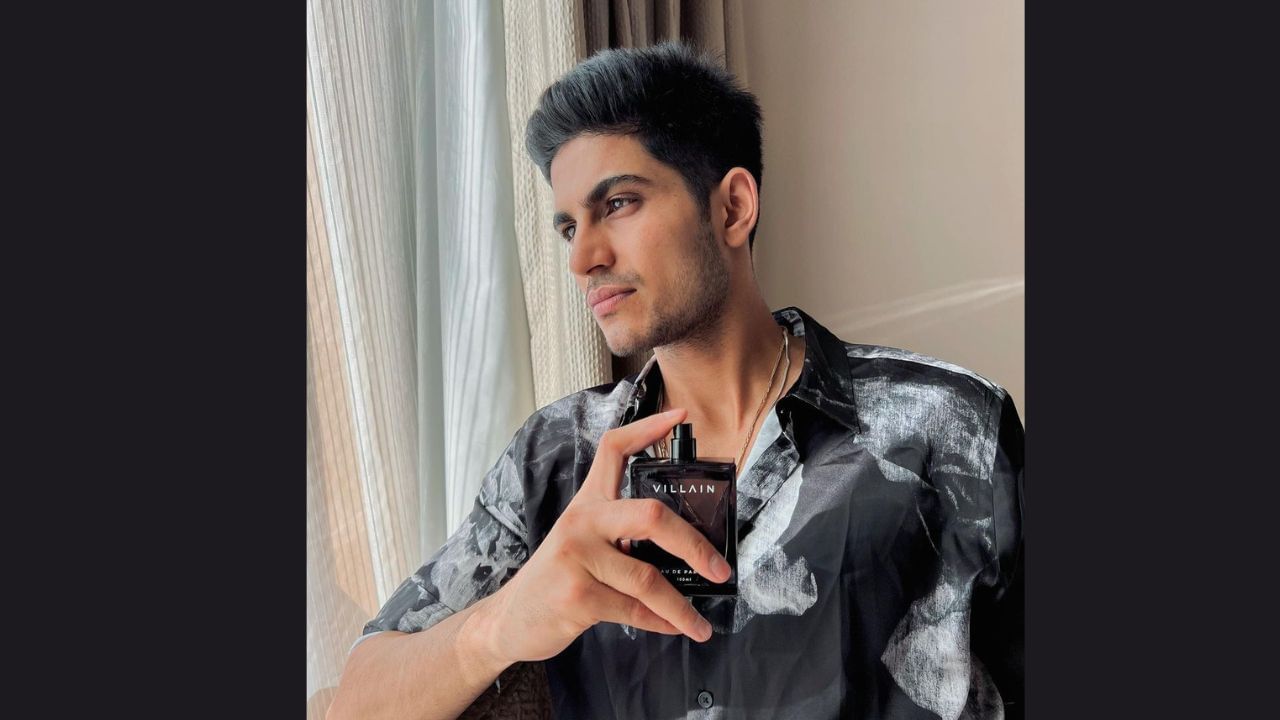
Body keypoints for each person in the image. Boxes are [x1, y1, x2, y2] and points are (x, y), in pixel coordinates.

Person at [327, 41, 1023, 720]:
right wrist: (503, 622)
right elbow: (356, 702)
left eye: (618, 204)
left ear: (732, 207)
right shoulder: (556, 461)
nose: (583, 258)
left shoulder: (947, 427)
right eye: (568, 228)